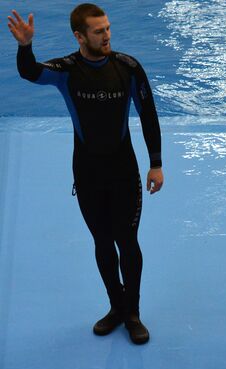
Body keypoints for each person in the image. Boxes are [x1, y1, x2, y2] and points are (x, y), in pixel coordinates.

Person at [7, 4, 164, 344]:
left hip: (124, 172)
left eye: (108, 28)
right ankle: (116, 307)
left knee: (128, 242)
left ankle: (133, 313)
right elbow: (30, 72)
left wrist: (156, 163)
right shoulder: (67, 70)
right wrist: (25, 46)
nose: (107, 35)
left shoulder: (128, 68)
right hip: (88, 173)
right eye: (98, 31)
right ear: (80, 36)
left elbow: (148, 113)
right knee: (102, 242)